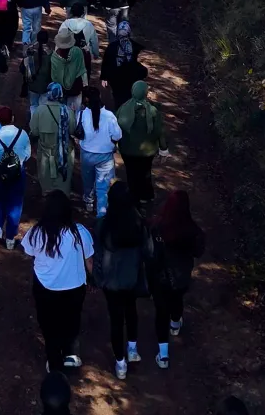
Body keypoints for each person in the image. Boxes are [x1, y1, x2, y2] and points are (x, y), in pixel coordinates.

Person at [23, 190, 93, 372]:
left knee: (49, 324)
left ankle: (54, 361)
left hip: (45, 288)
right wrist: (95, 280)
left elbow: (29, 253)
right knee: (71, 319)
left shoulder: (36, 233)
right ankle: (70, 354)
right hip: (75, 288)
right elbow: (89, 260)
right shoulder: (80, 232)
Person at [94, 183, 152, 379]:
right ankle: (133, 349)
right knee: (131, 311)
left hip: (111, 282)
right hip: (132, 278)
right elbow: (149, 252)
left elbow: (98, 254)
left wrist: (98, 278)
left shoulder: (103, 224)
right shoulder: (140, 224)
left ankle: (120, 364)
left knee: (116, 320)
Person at [149, 191, 206, 369]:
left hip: (160, 276)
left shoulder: (157, 227)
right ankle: (175, 324)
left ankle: (163, 355)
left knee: (161, 312)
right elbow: (198, 252)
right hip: (181, 276)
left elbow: (150, 251)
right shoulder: (193, 230)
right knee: (177, 300)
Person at [0, 106, 32, 249]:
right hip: (16, 172)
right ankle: (10, 238)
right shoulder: (22, 134)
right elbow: (27, 154)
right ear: (12, 118)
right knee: (15, 203)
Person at [116, 82, 168, 206]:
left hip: (127, 150)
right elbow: (159, 131)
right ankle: (145, 196)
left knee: (131, 172)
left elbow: (116, 127)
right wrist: (163, 149)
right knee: (145, 172)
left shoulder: (123, 108)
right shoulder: (153, 110)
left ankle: (132, 196)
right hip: (147, 152)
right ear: (145, 92)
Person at [76, 86, 121, 216]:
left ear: (86, 99)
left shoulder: (82, 114)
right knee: (103, 186)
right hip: (105, 156)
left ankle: (88, 202)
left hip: (86, 154)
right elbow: (117, 135)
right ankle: (102, 212)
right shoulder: (109, 116)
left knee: (88, 180)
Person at [30, 83, 78, 197]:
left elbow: (34, 132)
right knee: (63, 184)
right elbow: (72, 130)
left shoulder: (39, 111)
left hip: (46, 152)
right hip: (65, 153)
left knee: (47, 184)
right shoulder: (67, 111)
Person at [100, 22, 146, 111]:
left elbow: (106, 62)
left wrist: (104, 77)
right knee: (129, 99)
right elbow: (141, 66)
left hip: (115, 79)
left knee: (118, 99)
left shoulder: (112, 46)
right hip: (131, 79)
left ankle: (119, 115)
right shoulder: (137, 47)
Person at [57, 4, 99, 81]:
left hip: (67, 54)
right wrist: (95, 54)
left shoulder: (65, 24)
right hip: (84, 55)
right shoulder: (88, 24)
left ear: (71, 12)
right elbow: (94, 41)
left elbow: (59, 42)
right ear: (83, 13)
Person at [50, 29, 88, 112]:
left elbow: (53, 76)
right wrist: (85, 86)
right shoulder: (78, 52)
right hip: (76, 88)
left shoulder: (55, 56)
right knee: (73, 113)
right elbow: (82, 70)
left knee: (60, 112)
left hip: (60, 90)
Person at [23, 29, 54, 117]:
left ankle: (33, 125)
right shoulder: (51, 53)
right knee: (43, 107)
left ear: (37, 38)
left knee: (33, 106)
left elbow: (25, 67)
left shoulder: (30, 50)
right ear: (47, 39)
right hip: (45, 86)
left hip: (32, 85)